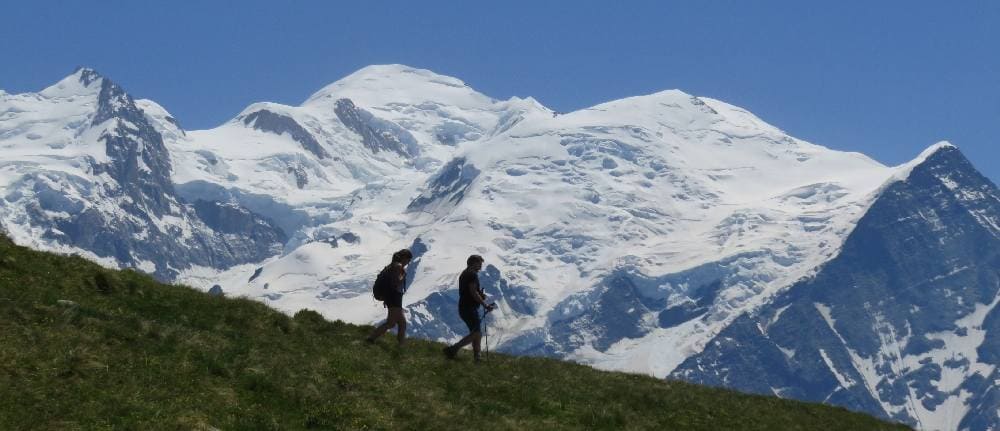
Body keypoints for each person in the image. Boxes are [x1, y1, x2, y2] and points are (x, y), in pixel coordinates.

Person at [444, 255, 495, 361]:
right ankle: (453, 349)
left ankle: (477, 357)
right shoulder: (472, 275)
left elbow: (470, 291)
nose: (480, 266)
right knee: (476, 333)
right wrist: (484, 304)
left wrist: (480, 295)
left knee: (476, 333)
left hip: (464, 306)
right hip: (469, 307)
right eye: (479, 264)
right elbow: (472, 291)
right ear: (473, 263)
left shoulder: (464, 274)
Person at [365, 248, 413, 345]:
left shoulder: (392, 265)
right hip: (394, 297)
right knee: (391, 323)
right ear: (404, 258)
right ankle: (370, 339)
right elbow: (396, 282)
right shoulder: (398, 266)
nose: (408, 262)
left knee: (402, 323)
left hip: (393, 297)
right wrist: (403, 275)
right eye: (408, 259)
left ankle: (401, 346)